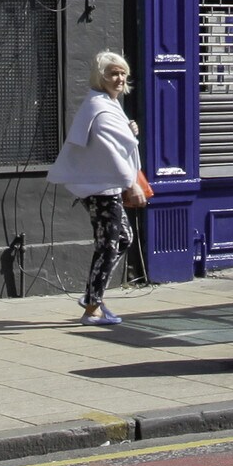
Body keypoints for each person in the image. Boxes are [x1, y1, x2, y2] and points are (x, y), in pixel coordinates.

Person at [48, 50, 149, 326]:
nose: (119, 78)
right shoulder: (101, 107)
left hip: (103, 186)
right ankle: (91, 309)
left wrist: (130, 130)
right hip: (102, 189)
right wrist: (132, 184)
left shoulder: (106, 103)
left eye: (122, 73)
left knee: (123, 239)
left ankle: (93, 294)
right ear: (100, 77)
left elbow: (117, 142)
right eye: (113, 73)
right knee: (108, 245)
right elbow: (111, 151)